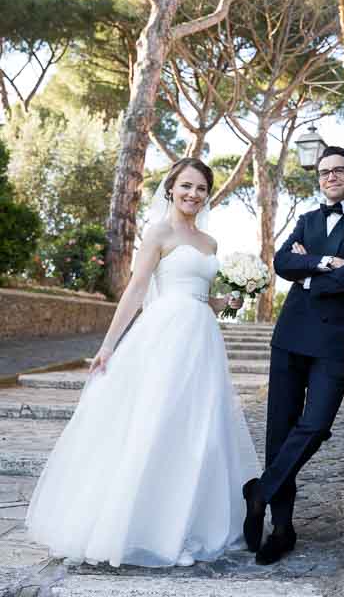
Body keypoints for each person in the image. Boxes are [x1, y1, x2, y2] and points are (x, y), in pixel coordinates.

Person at [26, 158, 260, 568]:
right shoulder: (158, 232)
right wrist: (108, 345)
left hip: (202, 338)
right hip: (165, 336)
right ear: (171, 188)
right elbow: (136, 291)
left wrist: (227, 302)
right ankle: (140, 528)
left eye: (201, 188)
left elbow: (199, 295)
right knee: (157, 423)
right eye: (186, 186)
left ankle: (185, 525)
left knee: (198, 430)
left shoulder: (210, 243)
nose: (193, 194)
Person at [243, 146, 344, 565]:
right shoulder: (307, 220)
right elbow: (282, 262)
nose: (330, 177)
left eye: (338, 170)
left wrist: (308, 277)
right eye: (323, 172)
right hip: (290, 336)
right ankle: (282, 527)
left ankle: (260, 491)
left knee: (317, 423)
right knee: (279, 431)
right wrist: (325, 263)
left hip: (334, 341)